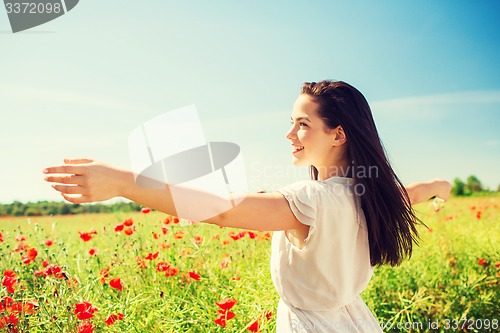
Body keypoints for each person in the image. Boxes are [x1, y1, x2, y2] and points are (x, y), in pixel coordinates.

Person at [43, 80, 451, 332]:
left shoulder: (311, 200)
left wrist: (123, 182)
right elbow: (414, 190)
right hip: (356, 322)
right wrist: (440, 186)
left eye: (302, 123)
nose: (289, 132)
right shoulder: (373, 191)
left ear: (338, 134)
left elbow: (224, 211)